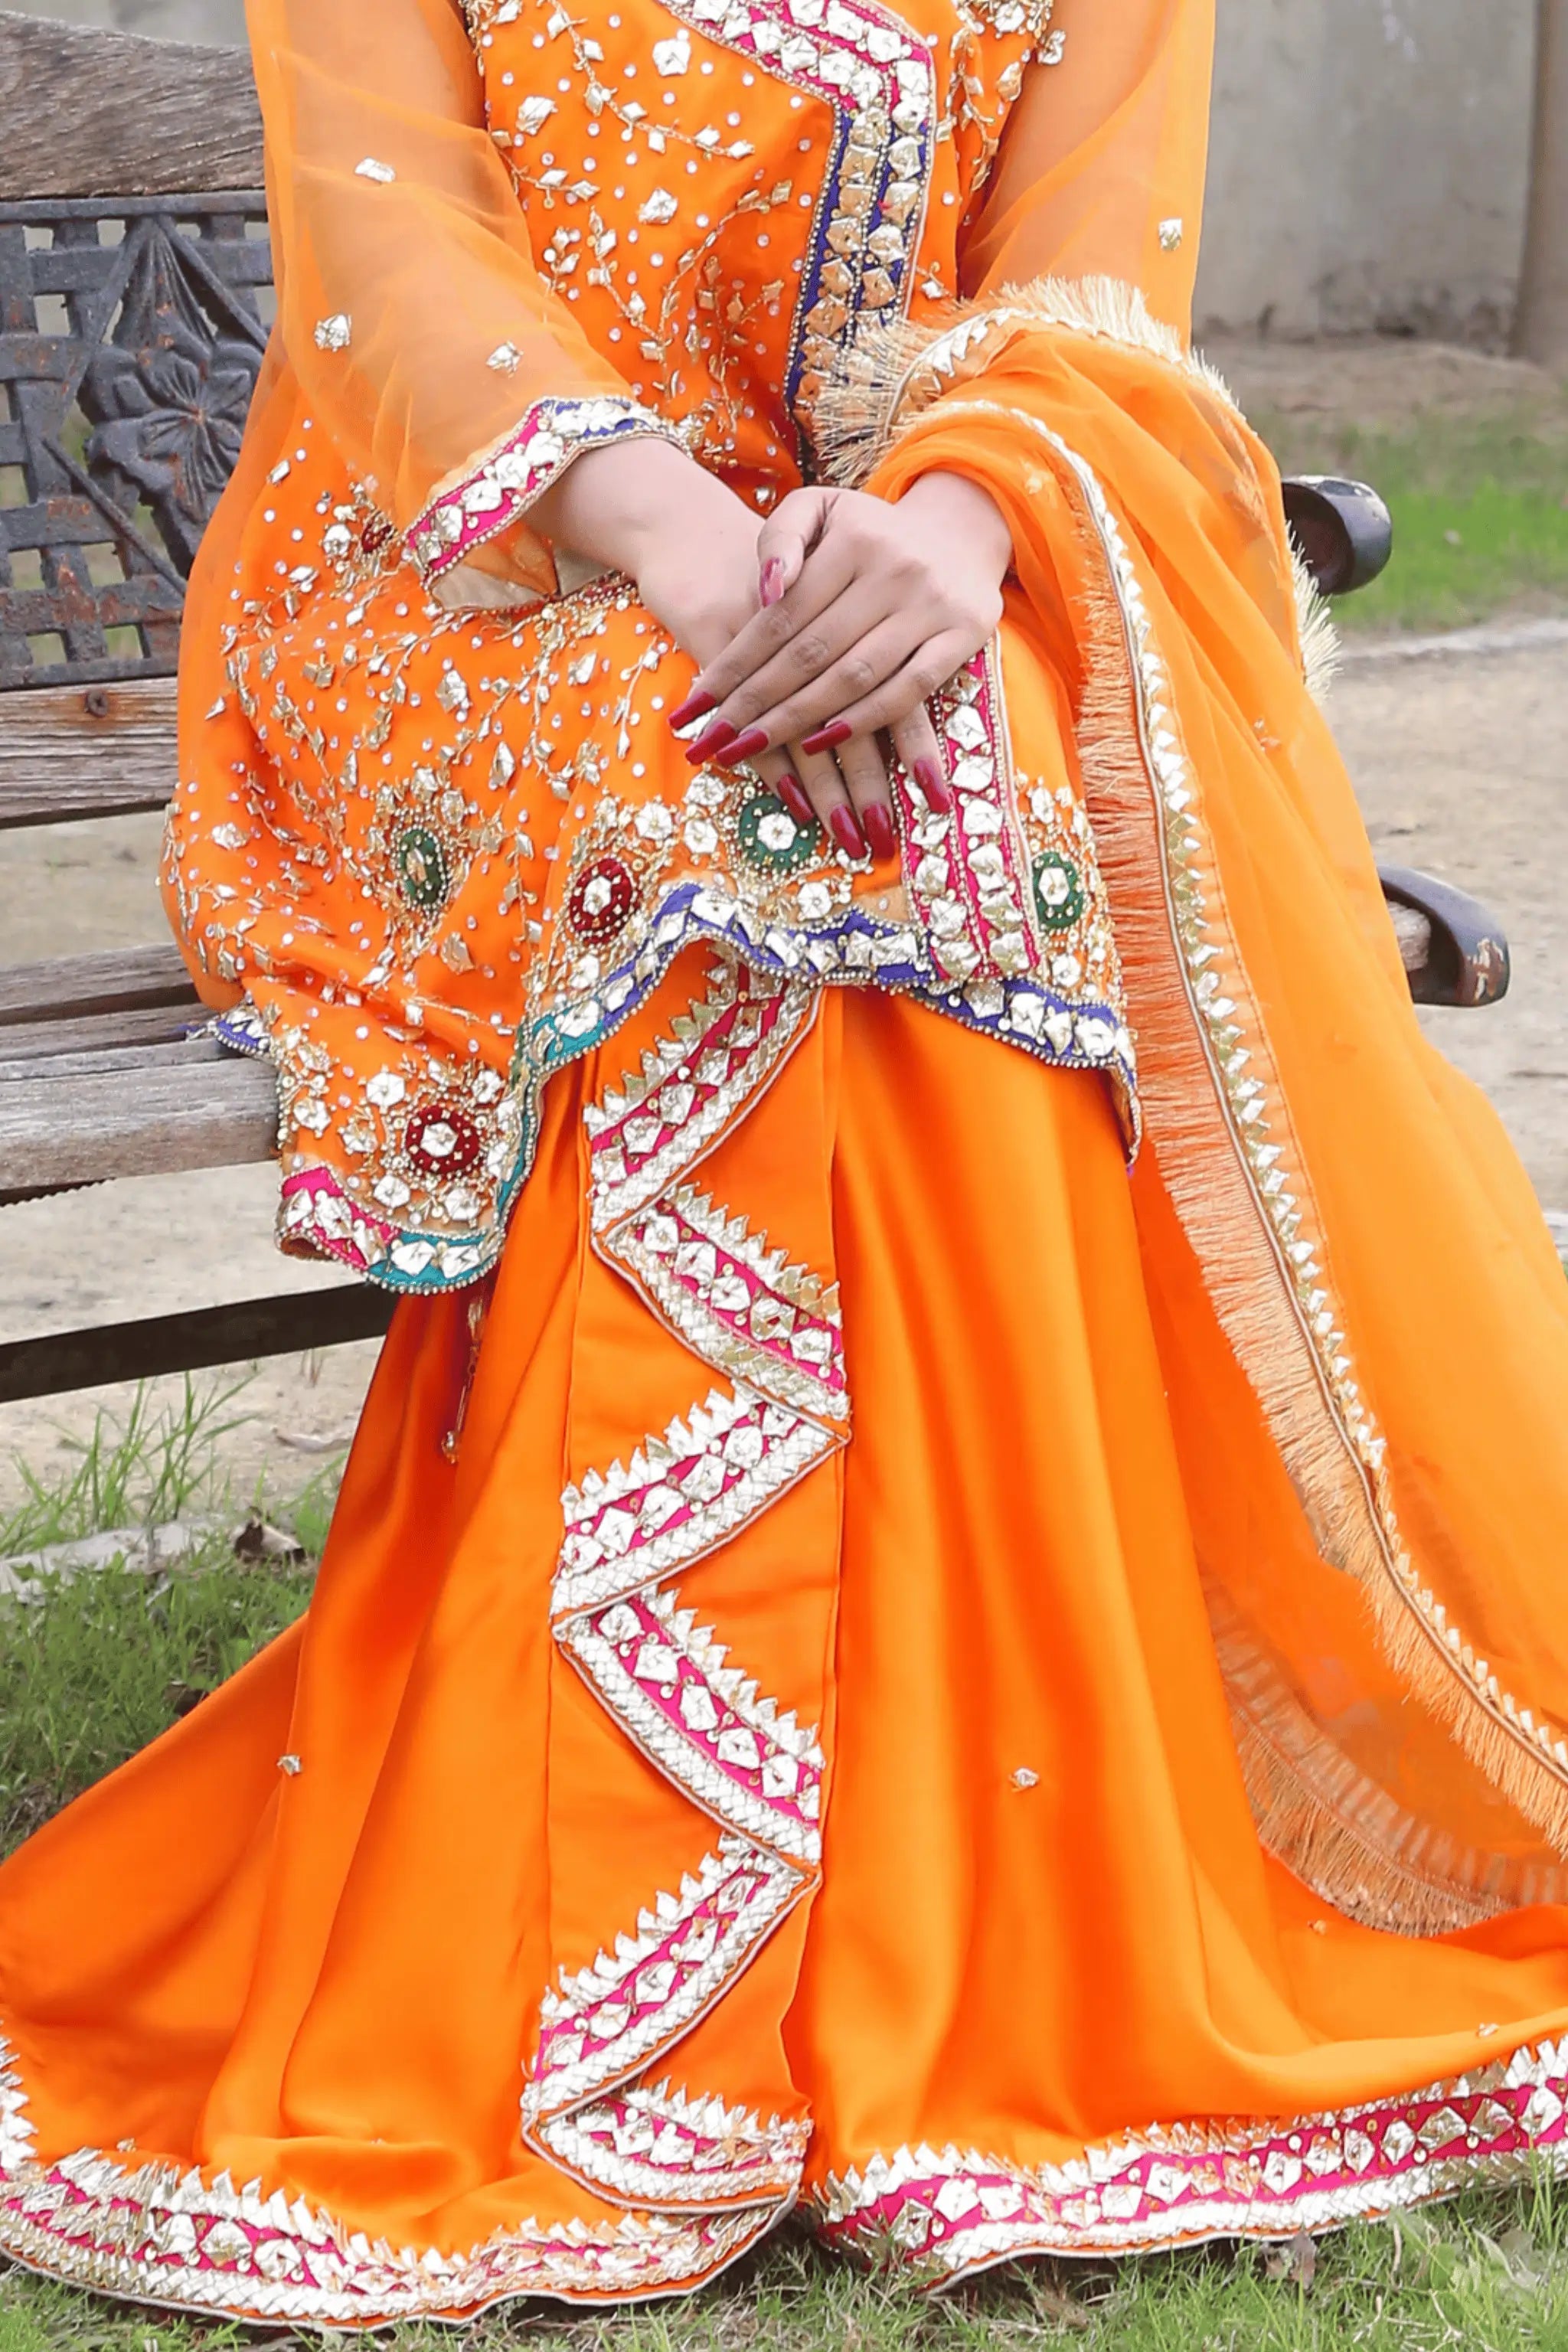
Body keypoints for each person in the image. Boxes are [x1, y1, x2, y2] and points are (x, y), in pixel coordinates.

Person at [5, 0, 1568, 2321]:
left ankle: (975, 1898)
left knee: (960, 779)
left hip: (897, 576)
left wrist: (949, 536)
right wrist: (691, 551)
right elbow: (391, 256)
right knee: (740, 803)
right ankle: (647, 1948)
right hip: (472, 579)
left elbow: (1089, 292)